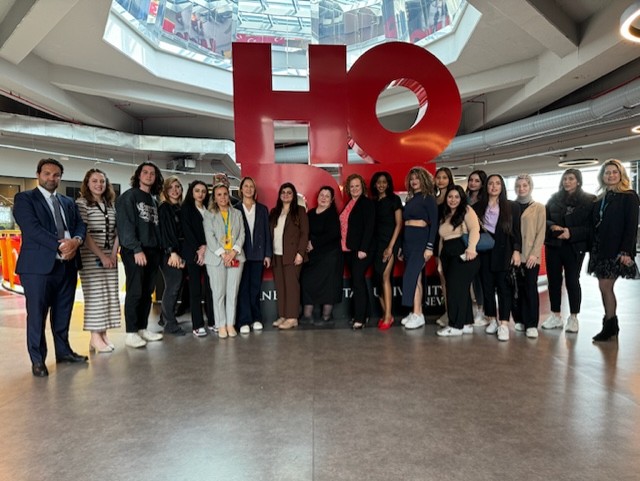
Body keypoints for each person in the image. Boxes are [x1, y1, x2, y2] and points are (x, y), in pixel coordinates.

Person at [13, 158, 87, 377]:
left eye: (56, 175)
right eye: (47, 174)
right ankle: (38, 360)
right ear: (38, 174)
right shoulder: (25, 199)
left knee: (63, 312)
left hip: (67, 265)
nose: (51, 178)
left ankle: (63, 352)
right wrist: (62, 246)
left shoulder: (67, 202)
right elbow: (32, 228)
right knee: (37, 315)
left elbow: (80, 225)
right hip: (38, 269)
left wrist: (76, 241)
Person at [588, 159, 639, 342]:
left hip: (616, 250)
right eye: (607, 172)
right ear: (602, 176)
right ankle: (611, 325)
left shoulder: (629, 196)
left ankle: (609, 325)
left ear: (621, 175)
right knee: (603, 288)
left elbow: (631, 226)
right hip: (600, 249)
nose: (611, 175)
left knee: (605, 286)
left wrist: (626, 251)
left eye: (614, 172)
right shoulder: (600, 198)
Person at [116, 161, 164, 348]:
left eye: (152, 173)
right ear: (138, 175)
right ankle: (131, 332)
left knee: (147, 291)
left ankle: (142, 328)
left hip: (152, 251)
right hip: (136, 251)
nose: (149, 175)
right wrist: (136, 249)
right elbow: (125, 226)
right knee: (135, 291)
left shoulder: (153, 199)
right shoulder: (129, 197)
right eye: (145, 172)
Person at [542, 169, 595, 333]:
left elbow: (591, 227)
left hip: (574, 246)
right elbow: (545, 218)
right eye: (565, 179)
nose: (567, 182)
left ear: (578, 181)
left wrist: (571, 232)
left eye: (571, 179)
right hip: (554, 245)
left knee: (572, 281)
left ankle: (573, 318)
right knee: (554, 282)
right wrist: (552, 226)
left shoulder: (589, 200)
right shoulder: (554, 198)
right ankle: (556, 316)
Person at [76, 168, 121, 353]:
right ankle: (94, 336)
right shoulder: (82, 203)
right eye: (94, 181)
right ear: (87, 183)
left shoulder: (110, 204)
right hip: (91, 255)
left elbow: (118, 230)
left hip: (110, 254)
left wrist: (112, 254)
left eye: (102, 181)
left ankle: (102, 334)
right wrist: (101, 256)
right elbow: (83, 234)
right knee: (95, 295)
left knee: (108, 294)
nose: (99, 184)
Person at [473, 174, 522, 342]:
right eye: (490, 183)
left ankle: (503, 323)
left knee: (504, 288)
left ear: (502, 187)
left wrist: (516, 250)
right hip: (484, 252)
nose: (494, 186)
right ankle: (492, 319)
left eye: (497, 184)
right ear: (486, 187)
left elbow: (516, 231)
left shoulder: (512, 207)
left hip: (504, 252)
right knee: (487, 287)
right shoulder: (478, 207)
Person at [436, 185, 480, 336]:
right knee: (460, 291)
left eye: (456, 197)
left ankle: (455, 325)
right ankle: (466, 323)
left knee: (454, 290)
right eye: (450, 196)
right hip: (447, 254)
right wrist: (440, 262)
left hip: (463, 253)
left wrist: (472, 248)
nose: (453, 200)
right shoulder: (445, 214)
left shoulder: (466, 210)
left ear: (461, 198)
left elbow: (475, 229)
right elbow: (442, 240)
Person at [204, 183, 245, 338]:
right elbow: (210, 237)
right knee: (218, 294)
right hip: (216, 259)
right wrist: (224, 254)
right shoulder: (209, 215)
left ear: (229, 195)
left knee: (232, 293)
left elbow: (242, 234)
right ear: (214, 197)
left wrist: (233, 252)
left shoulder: (237, 214)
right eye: (219, 194)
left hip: (236, 257)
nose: (222, 197)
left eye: (225, 194)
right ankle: (221, 325)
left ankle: (230, 324)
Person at [400, 167, 438, 330]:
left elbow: (434, 224)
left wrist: (429, 247)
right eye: (412, 179)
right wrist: (402, 246)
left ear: (423, 180)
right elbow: (404, 224)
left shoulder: (428, 198)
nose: (414, 181)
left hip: (421, 242)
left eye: (417, 178)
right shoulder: (410, 199)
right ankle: (417, 313)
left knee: (412, 277)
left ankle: (417, 313)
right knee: (415, 278)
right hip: (408, 241)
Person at [301, 186, 343, 327]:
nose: (323, 198)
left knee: (328, 287)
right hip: (312, 258)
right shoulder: (311, 214)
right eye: (321, 195)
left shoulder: (332, 214)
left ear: (331, 200)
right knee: (307, 283)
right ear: (317, 197)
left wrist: (314, 244)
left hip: (329, 257)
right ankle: (307, 316)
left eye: (327, 196)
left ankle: (326, 317)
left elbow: (334, 234)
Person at [269, 183, 309, 330]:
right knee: (281, 286)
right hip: (277, 254)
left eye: (289, 192)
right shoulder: (274, 212)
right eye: (283, 192)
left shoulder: (300, 211)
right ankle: (284, 315)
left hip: (293, 255)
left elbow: (305, 234)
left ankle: (292, 318)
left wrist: (300, 253)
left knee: (292, 286)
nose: (286, 195)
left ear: (294, 195)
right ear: (280, 195)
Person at [235, 177, 272, 334]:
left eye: (251, 186)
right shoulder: (235, 209)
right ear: (241, 189)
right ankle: (244, 320)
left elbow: (267, 233)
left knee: (255, 289)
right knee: (243, 288)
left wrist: (267, 254)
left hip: (258, 255)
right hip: (241, 255)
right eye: (246, 186)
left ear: (254, 190)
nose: (249, 189)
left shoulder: (262, 209)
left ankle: (256, 318)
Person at [511, 174, 546, 339]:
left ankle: (531, 323)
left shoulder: (538, 207)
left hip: (531, 256)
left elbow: (541, 232)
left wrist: (534, 254)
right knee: (515, 288)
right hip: (514, 255)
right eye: (518, 186)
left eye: (524, 185)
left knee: (530, 288)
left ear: (530, 187)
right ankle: (519, 319)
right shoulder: (511, 207)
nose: (521, 189)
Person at [340, 174, 375, 330]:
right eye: (352, 186)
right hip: (348, 249)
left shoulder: (366, 203)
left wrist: (363, 249)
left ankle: (360, 318)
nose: (354, 189)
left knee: (358, 282)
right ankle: (364, 314)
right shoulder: (349, 203)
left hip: (361, 250)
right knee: (357, 282)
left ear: (362, 187)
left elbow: (369, 227)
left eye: (357, 186)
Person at [181, 180, 216, 336]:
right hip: (193, 254)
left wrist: (205, 247)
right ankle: (197, 325)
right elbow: (187, 232)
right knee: (195, 291)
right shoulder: (186, 209)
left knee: (211, 289)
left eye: (203, 191)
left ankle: (213, 321)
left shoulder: (209, 209)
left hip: (209, 252)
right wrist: (199, 249)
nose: (200, 194)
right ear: (192, 192)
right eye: (197, 191)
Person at [369, 172, 402, 330]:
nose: (381, 185)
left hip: (389, 243)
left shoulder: (394, 200)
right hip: (375, 245)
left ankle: (388, 316)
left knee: (384, 277)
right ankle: (386, 313)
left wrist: (391, 247)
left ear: (388, 184)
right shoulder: (373, 202)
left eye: (384, 182)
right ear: (375, 185)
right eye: (378, 182)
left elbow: (399, 224)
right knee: (379, 280)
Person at [158, 176, 187, 336]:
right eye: (171, 187)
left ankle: (164, 317)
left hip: (179, 253)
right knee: (173, 287)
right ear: (165, 190)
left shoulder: (179, 208)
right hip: (170, 254)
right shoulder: (164, 208)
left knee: (177, 286)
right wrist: (172, 253)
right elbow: (166, 233)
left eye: (178, 187)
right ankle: (170, 324)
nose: (175, 190)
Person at [433, 167, 455, 327]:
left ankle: (455, 314)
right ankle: (448, 312)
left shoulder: (453, 197)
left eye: (444, 177)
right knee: (444, 281)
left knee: (453, 281)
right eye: (438, 177)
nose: (441, 180)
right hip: (436, 243)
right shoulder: (434, 198)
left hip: (451, 242)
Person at [466, 169, 488, 326]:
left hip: (482, 243)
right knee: (472, 277)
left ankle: (483, 310)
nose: (473, 183)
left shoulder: (485, 201)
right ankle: (475, 309)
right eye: (471, 180)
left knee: (482, 278)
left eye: (477, 181)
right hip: (467, 241)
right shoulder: (464, 200)